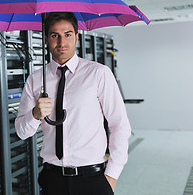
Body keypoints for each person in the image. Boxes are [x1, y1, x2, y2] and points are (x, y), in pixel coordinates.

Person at [15, 12, 131, 194]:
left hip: (92, 178)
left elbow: (120, 125)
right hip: (52, 179)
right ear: (46, 39)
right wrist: (35, 115)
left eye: (68, 35)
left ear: (76, 37)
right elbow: (21, 132)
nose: (62, 43)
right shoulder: (35, 79)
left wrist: (112, 175)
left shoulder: (98, 73)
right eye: (55, 35)